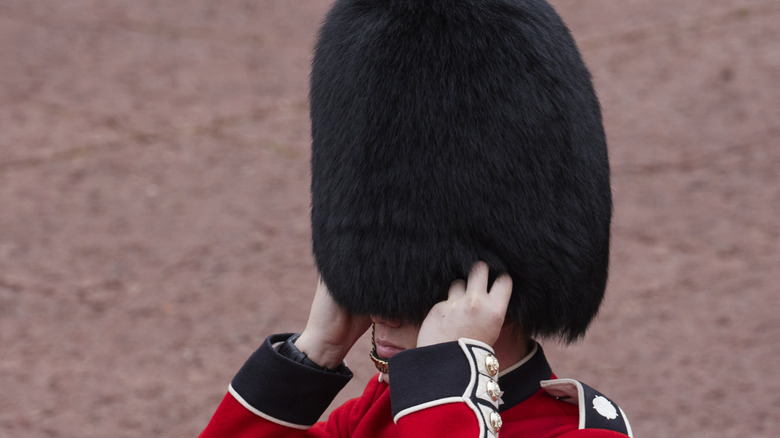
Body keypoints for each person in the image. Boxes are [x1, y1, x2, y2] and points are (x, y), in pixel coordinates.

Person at [200, 0, 633, 436]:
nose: (381, 307)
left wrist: (445, 375)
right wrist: (315, 351)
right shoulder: (375, 415)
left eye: (406, 285)